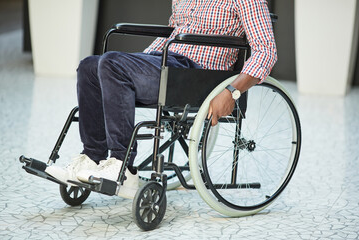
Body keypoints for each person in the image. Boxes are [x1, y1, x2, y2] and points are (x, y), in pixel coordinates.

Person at [45, 0, 277, 199]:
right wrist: (136, 63)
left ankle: (122, 167)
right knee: (90, 66)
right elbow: (172, 32)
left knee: (111, 64)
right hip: (167, 61)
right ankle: (92, 157)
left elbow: (266, 50)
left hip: (197, 74)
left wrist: (231, 91)